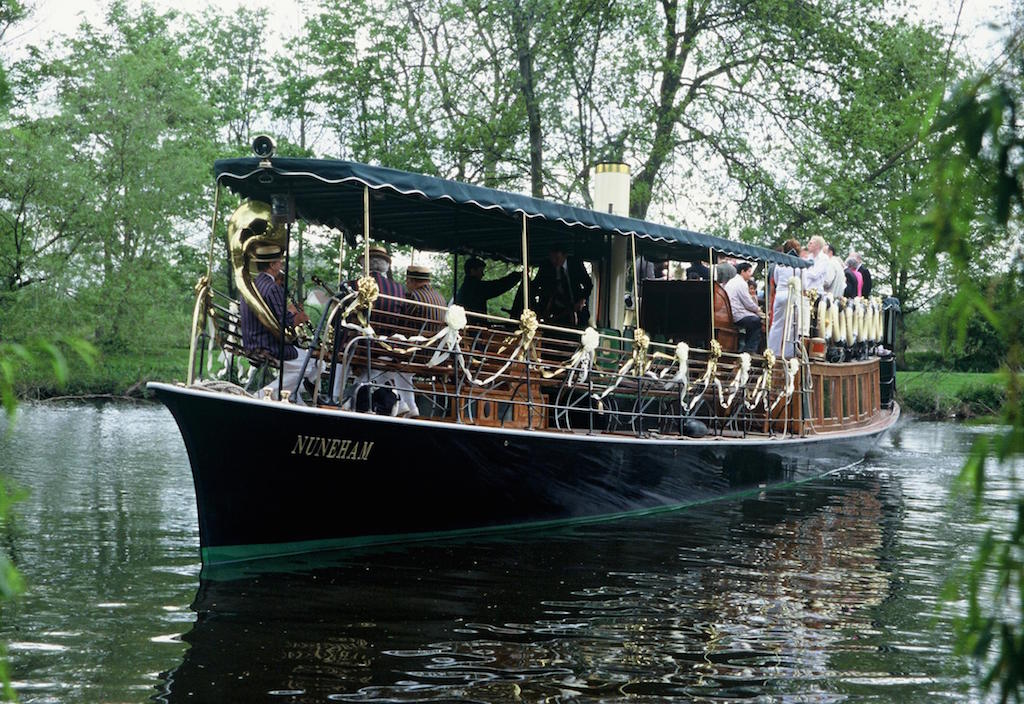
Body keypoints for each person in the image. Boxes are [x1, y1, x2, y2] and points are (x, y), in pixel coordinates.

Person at [239, 249, 320, 403]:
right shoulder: (272, 287)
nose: (282, 263)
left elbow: (272, 316)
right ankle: (261, 396)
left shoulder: (252, 286)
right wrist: (299, 317)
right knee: (312, 363)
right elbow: (286, 323)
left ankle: (293, 400)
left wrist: (290, 311)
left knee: (300, 368)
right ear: (272, 264)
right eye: (280, 261)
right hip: (269, 346)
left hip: (252, 343)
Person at [531, 244, 593, 328]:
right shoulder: (546, 266)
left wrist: (582, 299)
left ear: (565, 256)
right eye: (552, 258)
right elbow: (536, 285)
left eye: (557, 258)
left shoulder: (576, 264)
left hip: (576, 305)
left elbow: (588, 284)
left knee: (582, 323)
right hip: (554, 308)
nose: (554, 261)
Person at [767, 238, 802, 357]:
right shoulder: (799, 266)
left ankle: (772, 351)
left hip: (780, 294)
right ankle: (788, 353)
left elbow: (776, 280)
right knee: (792, 325)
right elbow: (804, 284)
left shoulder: (779, 264)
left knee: (777, 324)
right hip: (792, 295)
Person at [455, 257, 520, 316]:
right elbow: (498, 286)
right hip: (474, 323)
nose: (483, 274)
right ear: (473, 271)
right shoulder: (476, 287)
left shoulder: (465, 287)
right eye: (481, 271)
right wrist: (517, 276)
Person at [724, 263, 763, 353]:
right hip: (737, 314)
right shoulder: (741, 283)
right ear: (742, 271)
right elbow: (748, 302)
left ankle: (747, 347)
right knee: (757, 321)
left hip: (731, 312)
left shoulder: (732, 281)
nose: (750, 274)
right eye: (749, 271)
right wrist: (757, 309)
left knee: (753, 320)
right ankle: (750, 349)